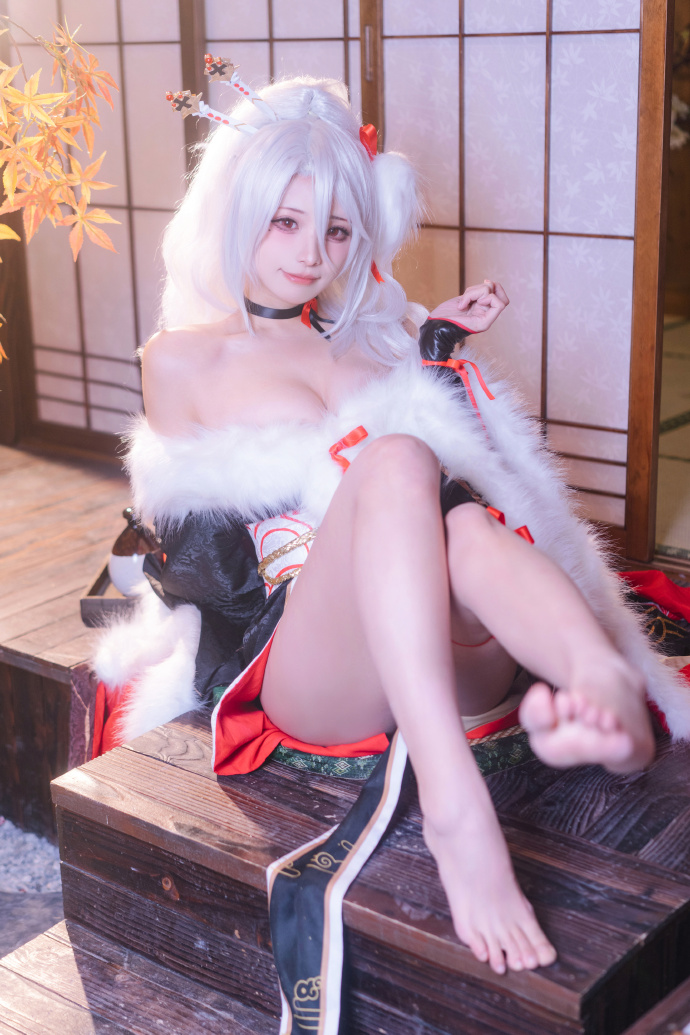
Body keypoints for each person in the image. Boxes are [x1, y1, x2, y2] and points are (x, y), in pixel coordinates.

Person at [95, 74, 689, 985]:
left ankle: (601, 686)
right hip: (308, 661)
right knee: (401, 460)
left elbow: (465, 478)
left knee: (464, 520)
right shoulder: (179, 359)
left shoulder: (371, 337)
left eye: (337, 231)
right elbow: (199, 550)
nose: (311, 254)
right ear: (238, 208)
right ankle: (455, 804)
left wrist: (431, 359)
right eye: (285, 222)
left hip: (444, 645)